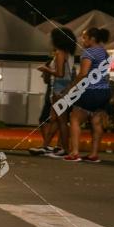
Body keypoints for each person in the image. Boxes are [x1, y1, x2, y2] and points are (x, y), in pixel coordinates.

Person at [64, 28, 111, 163]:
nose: (82, 40)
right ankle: (94, 154)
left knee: (75, 118)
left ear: (92, 39)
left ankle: (75, 152)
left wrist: (71, 88)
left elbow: (83, 74)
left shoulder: (89, 52)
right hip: (104, 90)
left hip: (90, 90)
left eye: (84, 37)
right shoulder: (104, 52)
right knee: (96, 122)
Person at [33, 27, 77, 158]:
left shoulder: (60, 53)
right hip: (64, 87)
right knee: (54, 120)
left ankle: (65, 149)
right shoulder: (68, 53)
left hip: (59, 88)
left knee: (61, 120)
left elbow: (60, 73)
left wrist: (45, 69)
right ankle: (46, 145)